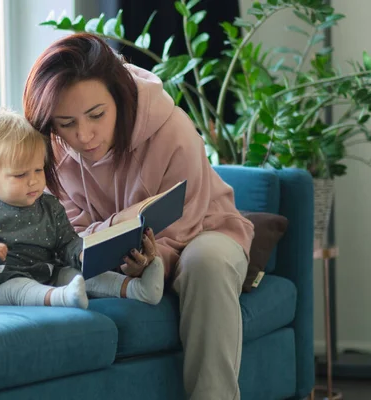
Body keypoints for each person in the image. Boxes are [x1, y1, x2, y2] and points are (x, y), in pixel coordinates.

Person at [23, 33, 255, 400]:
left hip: (202, 230)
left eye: (96, 115)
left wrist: (150, 260)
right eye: (66, 123)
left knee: (207, 263)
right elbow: (67, 236)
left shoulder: (173, 129)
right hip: (128, 255)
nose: (84, 135)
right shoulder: (52, 151)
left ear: (120, 97)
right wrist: (123, 237)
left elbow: (186, 220)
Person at [0, 109, 165, 309]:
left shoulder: (49, 205)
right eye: (21, 175)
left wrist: (81, 253)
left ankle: (139, 290)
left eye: (38, 170)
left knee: (77, 274)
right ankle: (63, 298)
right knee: (19, 288)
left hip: (47, 274)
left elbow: (67, 242)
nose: (33, 181)